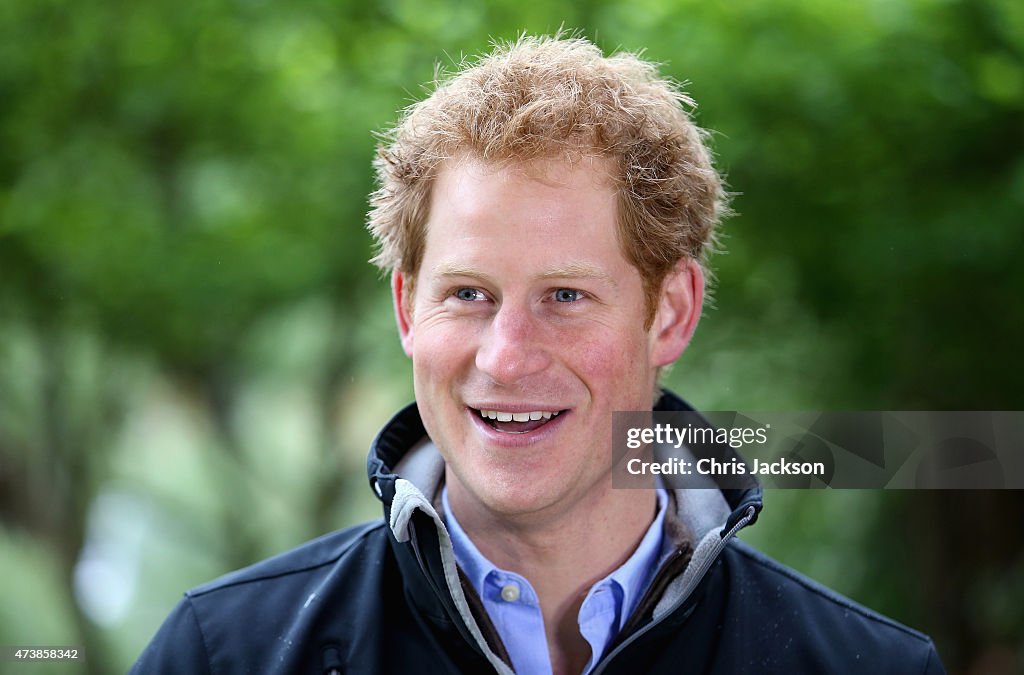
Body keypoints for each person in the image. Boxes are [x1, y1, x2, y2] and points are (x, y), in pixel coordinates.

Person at [133, 34, 945, 674]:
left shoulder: (864, 664)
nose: (507, 355)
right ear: (406, 308)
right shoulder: (222, 652)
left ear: (670, 312)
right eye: (468, 294)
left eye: (565, 296)